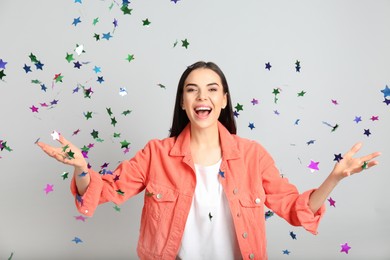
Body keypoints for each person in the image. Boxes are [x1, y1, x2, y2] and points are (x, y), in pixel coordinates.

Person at [37, 61, 381, 260]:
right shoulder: (156, 153)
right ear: (183, 103)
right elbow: (105, 190)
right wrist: (82, 169)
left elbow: (295, 208)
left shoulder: (252, 155)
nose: (202, 96)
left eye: (212, 88)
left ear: (224, 99)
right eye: (192, 89)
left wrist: (333, 179)